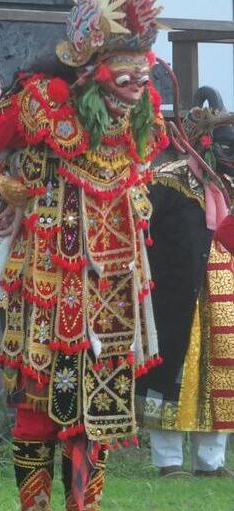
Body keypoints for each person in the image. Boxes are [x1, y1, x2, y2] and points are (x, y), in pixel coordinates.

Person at [0, 0, 169, 511]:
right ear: (92, 67)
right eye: (125, 73)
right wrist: (7, 185)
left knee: (105, 402)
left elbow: (152, 150)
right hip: (46, 278)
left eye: (143, 72)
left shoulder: (146, 109)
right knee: (41, 403)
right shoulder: (41, 102)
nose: (137, 85)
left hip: (115, 279)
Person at [137, 87, 234, 477]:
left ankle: (211, 461)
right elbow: (138, 228)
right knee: (171, 373)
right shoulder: (165, 180)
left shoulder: (229, 187)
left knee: (220, 372)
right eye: (225, 149)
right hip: (174, 298)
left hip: (222, 298)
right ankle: (169, 461)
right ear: (203, 145)